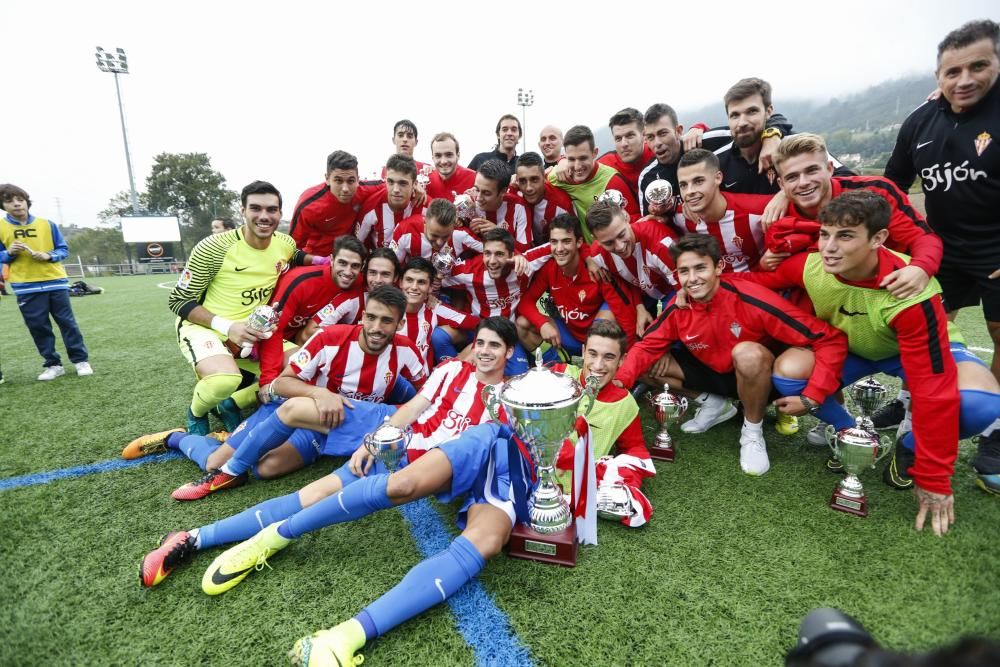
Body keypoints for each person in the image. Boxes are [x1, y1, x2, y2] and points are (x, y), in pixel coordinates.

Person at [138, 317, 515, 588]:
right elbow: (411, 409)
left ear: (509, 352)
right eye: (480, 343)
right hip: (396, 455)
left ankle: (241, 526)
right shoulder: (450, 370)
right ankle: (192, 537)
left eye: (493, 345)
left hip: (431, 473)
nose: (483, 351)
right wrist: (376, 439)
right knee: (309, 495)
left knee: (297, 486)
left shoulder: (515, 397)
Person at [735, 191, 1000, 521]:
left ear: (879, 238)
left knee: (979, 404)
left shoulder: (909, 291)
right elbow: (756, 281)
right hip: (855, 352)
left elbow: (932, 387)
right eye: (824, 234)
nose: (829, 247)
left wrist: (934, 477)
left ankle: (909, 447)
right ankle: (854, 436)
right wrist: (703, 282)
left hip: (913, 354)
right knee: (788, 373)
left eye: (845, 236)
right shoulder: (812, 265)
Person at [614, 233, 847, 476]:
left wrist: (813, 396)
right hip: (713, 373)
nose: (692, 279)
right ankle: (714, 405)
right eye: (684, 271)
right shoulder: (680, 305)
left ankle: (752, 432)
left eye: (700, 268)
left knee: (747, 353)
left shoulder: (751, 298)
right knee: (639, 362)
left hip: (757, 380)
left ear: (718, 267)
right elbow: (645, 347)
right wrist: (619, 382)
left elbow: (828, 338)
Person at [168, 285, 429, 500]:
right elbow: (282, 384)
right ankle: (177, 439)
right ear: (362, 316)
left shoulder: (407, 351)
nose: (376, 327)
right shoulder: (329, 338)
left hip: (327, 427)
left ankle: (243, 444)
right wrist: (319, 393)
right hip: (288, 409)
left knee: (265, 469)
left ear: (400, 323)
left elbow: (428, 393)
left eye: (387, 321)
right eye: (371, 317)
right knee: (215, 463)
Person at [882, 19, 1000, 458]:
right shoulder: (921, 120)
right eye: (953, 72)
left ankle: (996, 429)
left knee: (998, 328)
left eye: (978, 66)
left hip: (996, 245)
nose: (965, 80)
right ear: (938, 76)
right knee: (928, 326)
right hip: (941, 244)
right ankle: (915, 401)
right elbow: (892, 186)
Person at [167, 181, 306, 436]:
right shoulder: (213, 247)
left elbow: (296, 255)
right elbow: (178, 301)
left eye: (271, 210)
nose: (264, 216)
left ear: (280, 214)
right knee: (224, 380)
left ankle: (231, 404)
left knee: (307, 367)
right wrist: (228, 327)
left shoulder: (285, 243)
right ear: (242, 210)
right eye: (256, 208)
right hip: (206, 326)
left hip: (255, 332)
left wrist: (326, 260)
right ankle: (196, 412)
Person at [766, 133, 942, 291]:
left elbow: (922, 238)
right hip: (833, 302)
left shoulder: (875, 191)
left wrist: (920, 268)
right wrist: (764, 264)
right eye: (792, 177)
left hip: (892, 289)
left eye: (812, 170)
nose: (803, 182)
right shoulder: (775, 214)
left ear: (829, 169)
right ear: (781, 184)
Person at [553, 320, 655, 527]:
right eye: (592, 354)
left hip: (578, 492)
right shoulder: (558, 374)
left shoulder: (625, 404)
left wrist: (623, 480)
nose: (598, 365)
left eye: (609, 357)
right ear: (583, 351)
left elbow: (634, 449)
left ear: (622, 360)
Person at [0, 184, 92, 381]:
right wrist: (8, 253)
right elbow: (0, 257)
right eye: (9, 201)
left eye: (20, 200)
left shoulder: (47, 224)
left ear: (26, 202)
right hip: (26, 286)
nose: (16, 204)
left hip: (55, 282)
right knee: (39, 327)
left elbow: (63, 250)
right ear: (3, 205)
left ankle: (80, 361)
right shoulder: (1, 228)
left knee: (68, 324)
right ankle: (53, 364)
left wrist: (49, 256)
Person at [516, 213, 639, 360]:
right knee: (522, 324)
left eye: (566, 241)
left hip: (600, 337)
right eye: (554, 242)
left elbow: (625, 314)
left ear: (579, 242)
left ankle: (598, 362)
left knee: (608, 316)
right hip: (570, 334)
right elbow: (525, 303)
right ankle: (560, 365)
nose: (559, 248)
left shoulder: (596, 268)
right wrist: (542, 324)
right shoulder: (550, 268)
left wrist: (629, 355)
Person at [586, 200, 679, 338]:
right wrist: (639, 306)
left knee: (672, 330)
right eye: (608, 243)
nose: (619, 247)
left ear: (626, 218)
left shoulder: (660, 244)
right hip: (643, 294)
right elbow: (623, 282)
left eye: (621, 235)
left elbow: (686, 291)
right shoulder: (598, 255)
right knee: (605, 327)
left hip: (674, 290)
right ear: (596, 239)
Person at [671, 149, 772, 273]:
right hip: (713, 288)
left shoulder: (758, 210)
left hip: (758, 284)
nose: (690, 191)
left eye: (698, 181)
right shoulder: (678, 216)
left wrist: (783, 196)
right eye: (683, 185)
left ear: (718, 178)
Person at [548, 125, 641, 240]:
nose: (577, 166)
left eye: (583, 158)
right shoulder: (558, 176)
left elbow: (637, 220)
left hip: (613, 252)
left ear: (594, 153)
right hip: (583, 253)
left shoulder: (611, 181)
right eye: (571, 159)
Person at [289, 150, 383, 257]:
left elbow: (393, 184)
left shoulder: (366, 189)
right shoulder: (309, 204)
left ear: (358, 179)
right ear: (327, 179)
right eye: (338, 181)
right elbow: (292, 247)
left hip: (352, 259)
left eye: (351, 181)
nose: (345, 189)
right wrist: (317, 261)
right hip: (318, 260)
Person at [397, 257, 479, 366]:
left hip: (425, 380)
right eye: (409, 280)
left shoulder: (435, 309)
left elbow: (481, 325)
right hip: (387, 380)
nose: (414, 287)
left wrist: (468, 354)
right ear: (400, 283)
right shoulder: (385, 309)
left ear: (430, 287)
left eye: (421, 282)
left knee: (439, 335)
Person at [355, 154, 421, 250]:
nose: (396, 189)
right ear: (385, 180)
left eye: (402, 183)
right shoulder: (371, 207)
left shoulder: (425, 205)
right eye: (390, 182)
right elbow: (357, 246)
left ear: (415, 184)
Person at [390, 197, 482, 265]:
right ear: (425, 223)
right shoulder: (405, 230)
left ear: (454, 226)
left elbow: (491, 253)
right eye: (434, 235)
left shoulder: (461, 234)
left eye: (446, 236)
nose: (439, 242)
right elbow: (391, 266)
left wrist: (458, 269)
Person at [467, 159, 533, 252]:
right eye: (477, 189)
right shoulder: (467, 202)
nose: (478, 198)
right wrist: (468, 230)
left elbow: (525, 250)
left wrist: (500, 234)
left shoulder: (519, 206)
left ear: (503, 191)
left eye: (486, 193)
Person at [512, 151, 573, 243]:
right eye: (523, 181)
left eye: (534, 179)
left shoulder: (562, 205)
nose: (528, 188)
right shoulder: (513, 195)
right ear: (517, 180)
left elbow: (571, 244)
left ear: (544, 177)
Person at [597, 108, 655, 203]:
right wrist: (563, 160)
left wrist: (689, 132)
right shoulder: (604, 165)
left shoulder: (657, 152)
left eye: (630, 136)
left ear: (644, 135)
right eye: (618, 138)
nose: (624, 144)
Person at [425, 132, 477, 201]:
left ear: (458, 156)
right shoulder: (425, 182)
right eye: (438, 155)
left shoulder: (474, 179)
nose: (443, 161)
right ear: (433, 158)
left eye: (449, 155)